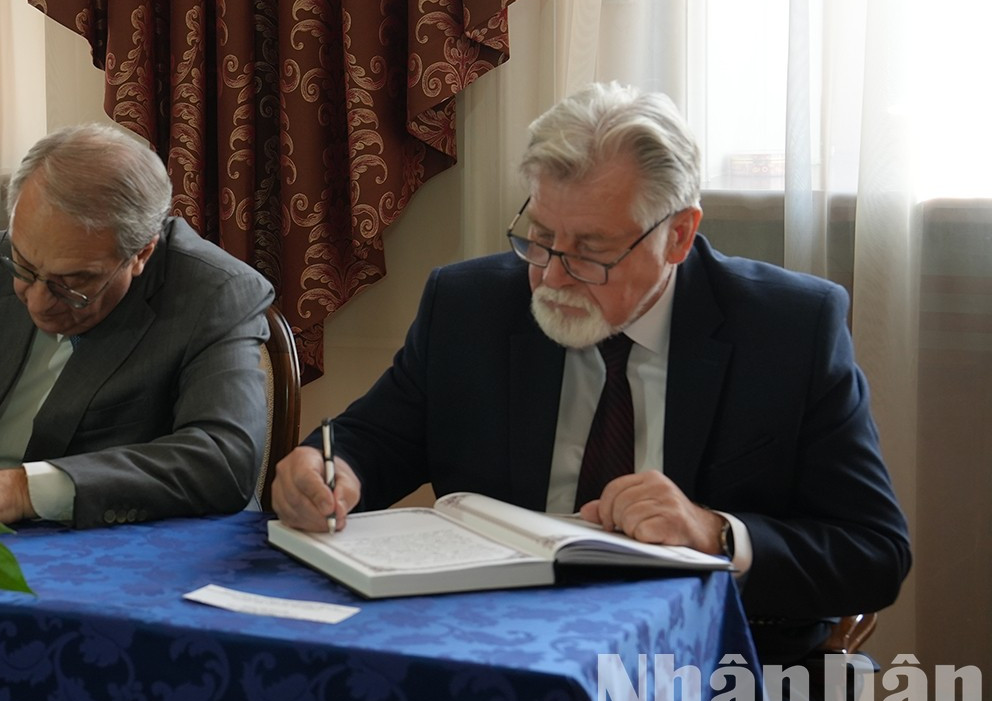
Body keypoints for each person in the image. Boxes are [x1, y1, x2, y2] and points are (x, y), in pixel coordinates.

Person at [271, 83, 911, 670]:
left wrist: (714, 533)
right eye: (541, 237)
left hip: (720, 670)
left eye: (591, 252)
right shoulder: (469, 308)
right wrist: (325, 471)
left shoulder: (789, 331)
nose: (550, 276)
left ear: (679, 237)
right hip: (495, 656)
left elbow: (873, 552)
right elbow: (371, 441)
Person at [0, 123, 275, 527]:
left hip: (115, 547)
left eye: (74, 283)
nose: (38, 301)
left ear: (142, 253)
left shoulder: (215, 293)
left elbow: (223, 459)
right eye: (23, 266)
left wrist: (22, 490)